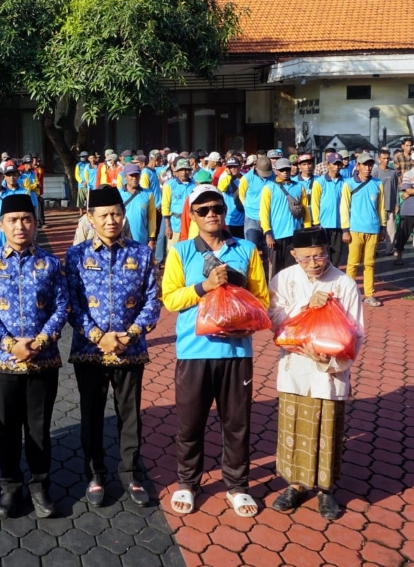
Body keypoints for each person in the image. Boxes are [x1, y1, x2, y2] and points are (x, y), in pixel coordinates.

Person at [162, 184, 268, 518]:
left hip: (237, 353)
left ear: (225, 212)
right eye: (203, 210)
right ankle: (188, 482)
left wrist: (247, 323)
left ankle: (237, 485)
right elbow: (170, 299)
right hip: (194, 352)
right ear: (192, 216)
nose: (212, 214)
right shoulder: (181, 252)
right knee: (189, 424)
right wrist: (203, 287)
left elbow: (262, 300)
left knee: (237, 424)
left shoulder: (247, 249)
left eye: (217, 208)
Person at [65, 187, 160, 508]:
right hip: (89, 351)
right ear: (90, 218)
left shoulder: (141, 254)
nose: (111, 221)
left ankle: (131, 473)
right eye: (104, 215)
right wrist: (98, 337)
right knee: (91, 414)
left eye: (116, 214)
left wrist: (129, 335)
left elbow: (152, 301)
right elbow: (71, 304)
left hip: (130, 350)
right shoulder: (76, 256)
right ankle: (95, 473)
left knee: (129, 415)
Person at [0, 194, 69, 519]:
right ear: (1, 225)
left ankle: (40, 486)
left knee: (39, 427)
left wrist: (40, 341)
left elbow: (62, 306)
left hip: (43, 360)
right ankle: (10, 487)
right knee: (7, 427)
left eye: (26, 219)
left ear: (35, 223)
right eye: (13, 220)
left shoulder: (51, 263)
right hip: (2, 362)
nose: (20, 226)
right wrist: (9, 345)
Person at [267, 227, 363, 520]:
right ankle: (295, 485)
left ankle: (325, 489)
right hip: (295, 367)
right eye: (306, 258)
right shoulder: (283, 279)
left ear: (327, 252)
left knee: (327, 430)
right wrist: (305, 306)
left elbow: (356, 332)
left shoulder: (344, 283)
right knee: (294, 427)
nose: (313, 263)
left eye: (320, 256)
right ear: (293, 254)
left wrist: (331, 360)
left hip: (328, 373)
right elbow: (274, 318)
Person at [341, 153, 384, 307]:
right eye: (364, 164)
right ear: (357, 166)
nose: (368, 168)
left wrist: (383, 227)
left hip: (373, 228)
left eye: (370, 164)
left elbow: (381, 207)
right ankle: (349, 294)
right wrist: (345, 229)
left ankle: (369, 294)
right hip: (355, 229)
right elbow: (344, 208)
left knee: (370, 263)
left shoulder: (378, 183)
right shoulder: (348, 184)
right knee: (352, 263)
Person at [260, 157, 311, 276]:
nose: (285, 172)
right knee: (275, 271)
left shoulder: (300, 186)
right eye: (282, 170)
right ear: (276, 171)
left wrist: (307, 230)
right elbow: (264, 212)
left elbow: (305, 210)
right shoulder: (269, 188)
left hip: (295, 234)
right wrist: (268, 233)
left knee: (293, 270)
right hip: (276, 235)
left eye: (287, 169)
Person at [311, 153, 347, 266]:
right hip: (323, 224)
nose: (337, 167)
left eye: (339, 164)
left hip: (339, 224)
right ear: (328, 165)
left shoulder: (346, 182)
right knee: (322, 253)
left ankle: (333, 273)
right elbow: (315, 203)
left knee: (337, 253)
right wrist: (316, 222)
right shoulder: (319, 182)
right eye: (334, 164)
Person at [162, 158, 195, 254]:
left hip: (191, 224)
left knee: (189, 250)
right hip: (175, 224)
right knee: (173, 251)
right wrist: (168, 226)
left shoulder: (195, 185)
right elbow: (165, 206)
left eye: (186, 170)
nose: (184, 172)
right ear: (176, 172)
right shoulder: (169, 185)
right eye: (181, 170)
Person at [119, 163, 156, 248]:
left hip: (141, 240)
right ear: (125, 177)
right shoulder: (118, 193)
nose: (134, 178)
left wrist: (152, 239)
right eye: (131, 175)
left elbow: (152, 218)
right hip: (121, 240)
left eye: (137, 175)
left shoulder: (148, 194)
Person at [371, 148, 399, 256]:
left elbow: (396, 189)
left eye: (388, 158)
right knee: (376, 229)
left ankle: (390, 249)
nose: (386, 160)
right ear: (379, 159)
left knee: (391, 229)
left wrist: (397, 203)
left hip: (390, 204)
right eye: (384, 158)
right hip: (378, 206)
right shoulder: (375, 172)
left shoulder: (393, 172)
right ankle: (374, 249)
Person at [217, 157, 245, 239]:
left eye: (235, 166)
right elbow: (221, 188)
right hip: (229, 219)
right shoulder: (225, 179)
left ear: (240, 166)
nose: (233, 169)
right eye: (230, 167)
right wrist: (229, 176)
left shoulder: (245, 179)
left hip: (243, 219)